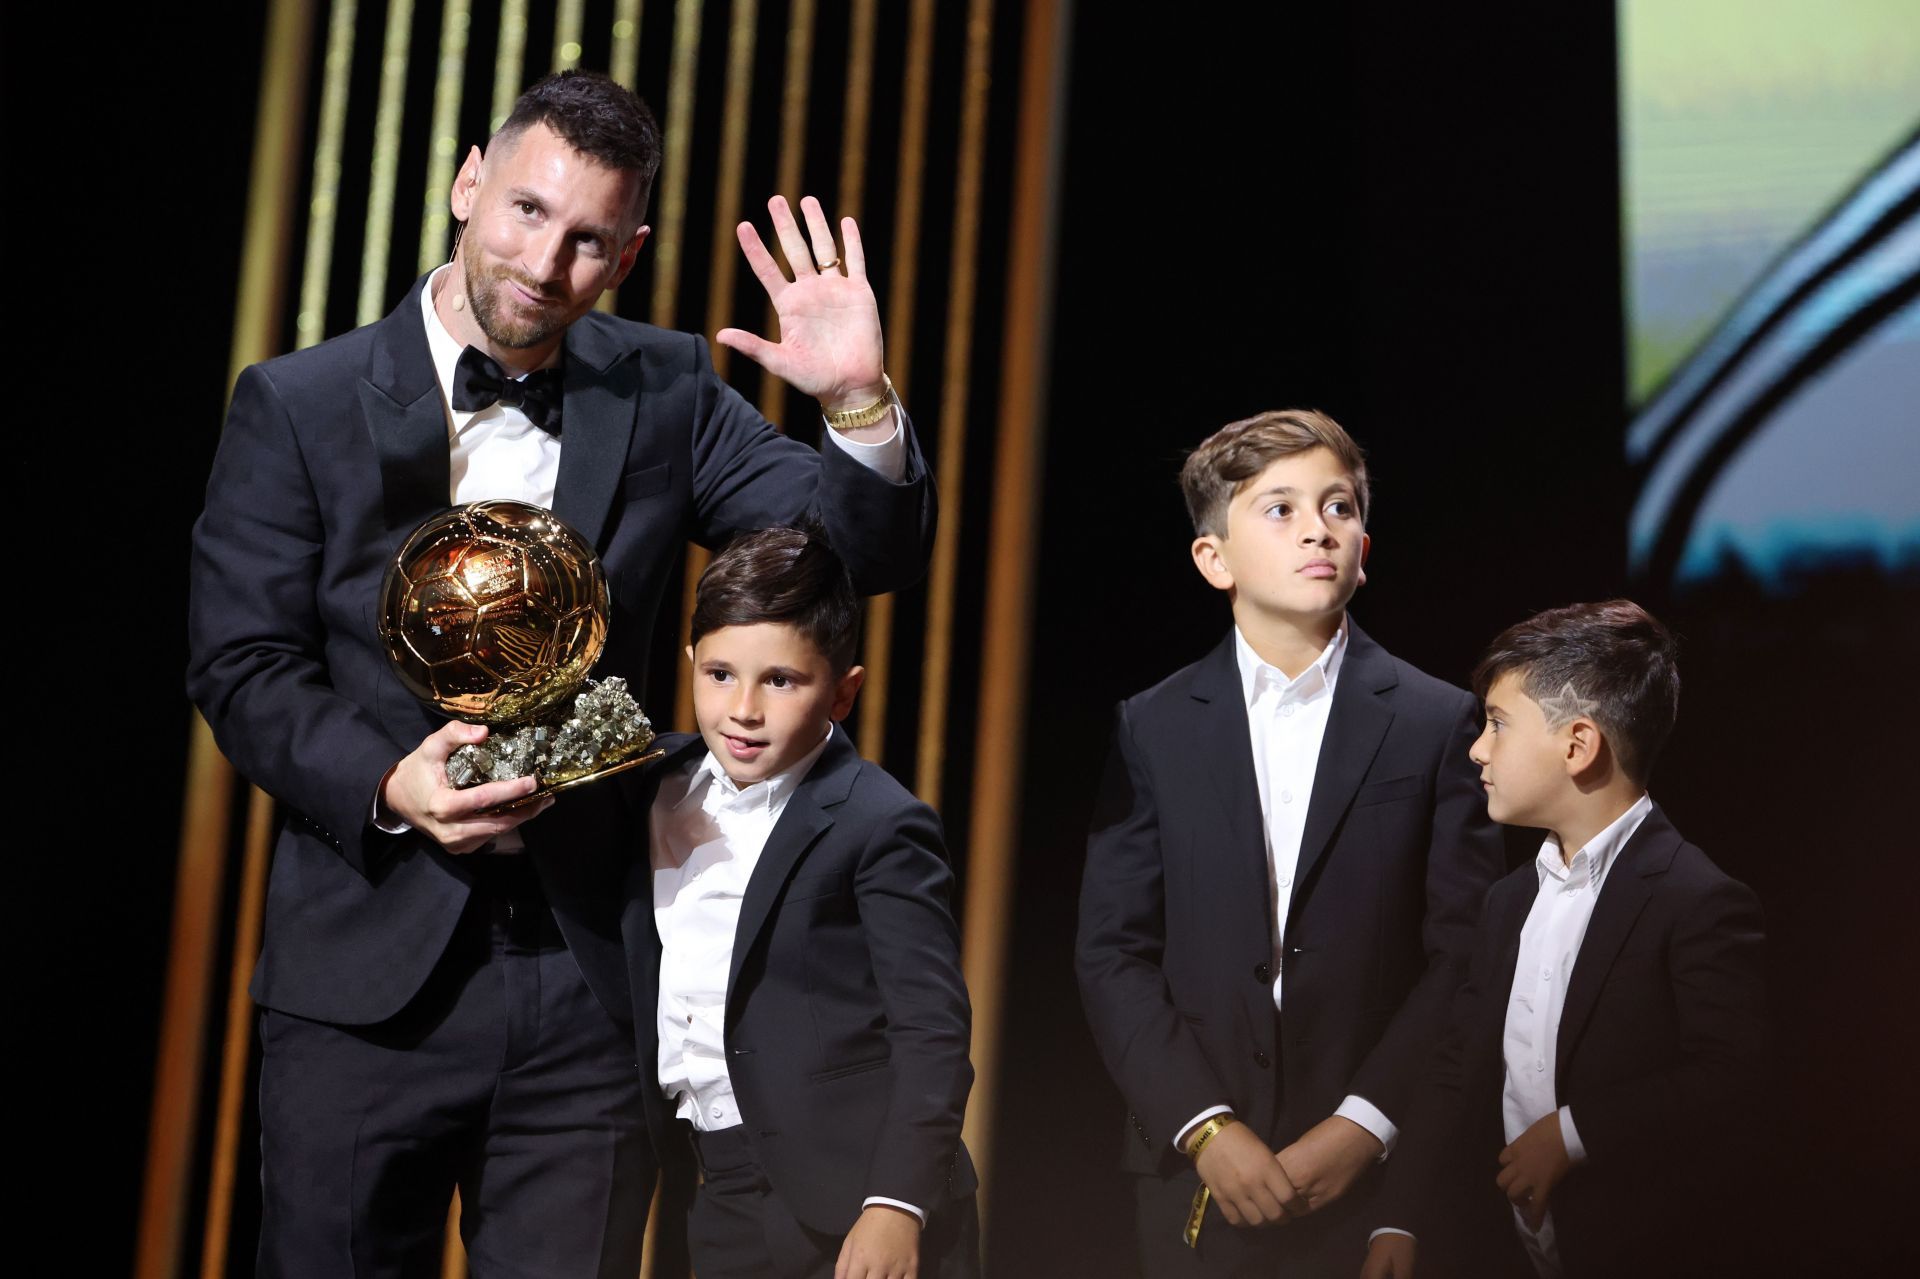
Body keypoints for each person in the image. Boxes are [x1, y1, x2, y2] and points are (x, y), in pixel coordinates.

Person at [186, 70, 935, 1277]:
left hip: (586, 983)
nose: (546, 262)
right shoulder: (298, 402)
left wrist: (856, 402)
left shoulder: (665, 388)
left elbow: (857, 555)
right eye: (528, 211)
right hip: (364, 980)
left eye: (589, 239)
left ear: (627, 253)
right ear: (467, 183)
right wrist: (393, 780)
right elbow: (243, 666)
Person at [1076, 409, 1505, 1276]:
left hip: (1375, 1179)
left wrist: (1364, 1123)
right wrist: (1205, 1123)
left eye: (1339, 507)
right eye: (1280, 509)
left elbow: (1463, 953)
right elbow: (1113, 951)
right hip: (1197, 1174)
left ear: (1365, 545)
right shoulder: (1153, 725)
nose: (1319, 527)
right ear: (1214, 559)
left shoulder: (1435, 720)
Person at [1359, 601, 1769, 1279]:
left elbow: (1731, 1074)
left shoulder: (1697, 898)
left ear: (1578, 745)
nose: (1477, 749)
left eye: (1497, 723)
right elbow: (1455, 1066)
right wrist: (1399, 1214)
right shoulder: (1507, 899)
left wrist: (1574, 1133)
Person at [619, 525, 978, 1279]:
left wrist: (896, 1202)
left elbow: (932, 1031)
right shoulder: (651, 782)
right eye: (719, 674)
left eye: (780, 680)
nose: (742, 708)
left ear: (844, 690)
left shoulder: (879, 821)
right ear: (689, 666)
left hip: (850, 1194)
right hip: (710, 1183)